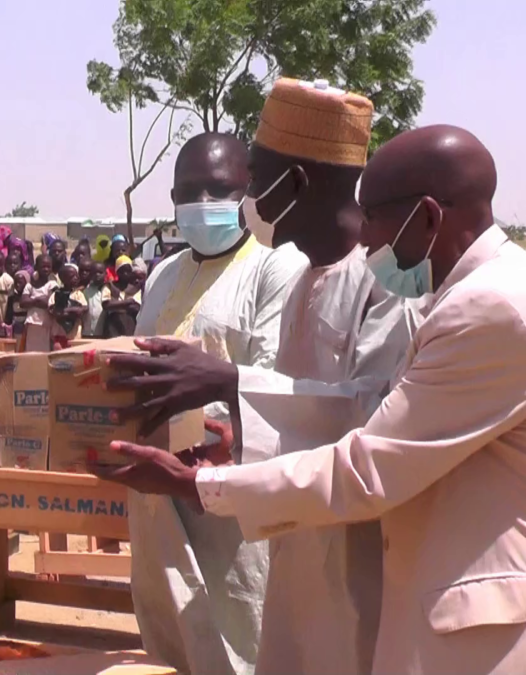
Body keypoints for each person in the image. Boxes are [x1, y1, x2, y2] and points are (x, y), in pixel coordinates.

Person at [98, 124, 526, 675]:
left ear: (426, 217)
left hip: (455, 619)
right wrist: (246, 432)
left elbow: (369, 462)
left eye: (372, 216)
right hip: (353, 559)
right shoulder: (467, 291)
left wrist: (199, 484)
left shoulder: (488, 307)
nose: (365, 237)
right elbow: (374, 411)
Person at [101, 78, 413, 675]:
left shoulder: (384, 287)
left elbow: (371, 421)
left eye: (256, 176)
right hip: (288, 537)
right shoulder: (303, 284)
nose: (245, 198)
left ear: (292, 184)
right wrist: (235, 441)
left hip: (358, 555)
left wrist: (226, 384)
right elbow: (288, 422)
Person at [125, 132, 305, 675]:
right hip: (155, 496)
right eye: (189, 192)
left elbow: (272, 383)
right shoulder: (162, 274)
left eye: (218, 189)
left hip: (227, 498)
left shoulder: (276, 268)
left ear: (247, 190)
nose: (202, 204)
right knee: (167, 635)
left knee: (239, 637)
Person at [20, 254, 59, 352]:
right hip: (32, 323)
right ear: (36, 267)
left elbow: (51, 303)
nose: (46, 269)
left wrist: (32, 301)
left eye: (48, 266)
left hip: (46, 324)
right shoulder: (30, 286)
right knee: (30, 352)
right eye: (43, 266)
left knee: (44, 353)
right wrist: (38, 300)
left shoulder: (52, 285)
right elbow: (23, 302)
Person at [49, 263, 88, 349]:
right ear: (63, 279)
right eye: (72, 276)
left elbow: (83, 310)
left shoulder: (78, 294)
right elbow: (54, 312)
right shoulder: (56, 294)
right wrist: (72, 311)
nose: (76, 278)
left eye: (76, 276)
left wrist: (65, 311)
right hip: (59, 335)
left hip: (74, 336)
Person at [102, 256, 142, 337]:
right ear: (117, 272)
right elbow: (106, 305)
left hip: (131, 323)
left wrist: (116, 304)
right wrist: (127, 302)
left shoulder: (136, 288)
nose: (125, 274)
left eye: (128, 271)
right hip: (113, 324)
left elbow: (137, 308)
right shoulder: (110, 286)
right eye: (122, 271)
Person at [81, 260, 111, 338]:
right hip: (86, 332)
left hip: (102, 332)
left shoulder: (107, 289)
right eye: (94, 273)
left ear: (105, 274)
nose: (97, 275)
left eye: (100, 273)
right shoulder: (85, 291)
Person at [6, 269, 30, 340]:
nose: (17, 285)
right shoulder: (12, 298)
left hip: (28, 328)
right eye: (16, 283)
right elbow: (9, 315)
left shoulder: (30, 297)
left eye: (20, 282)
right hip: (16, 328)